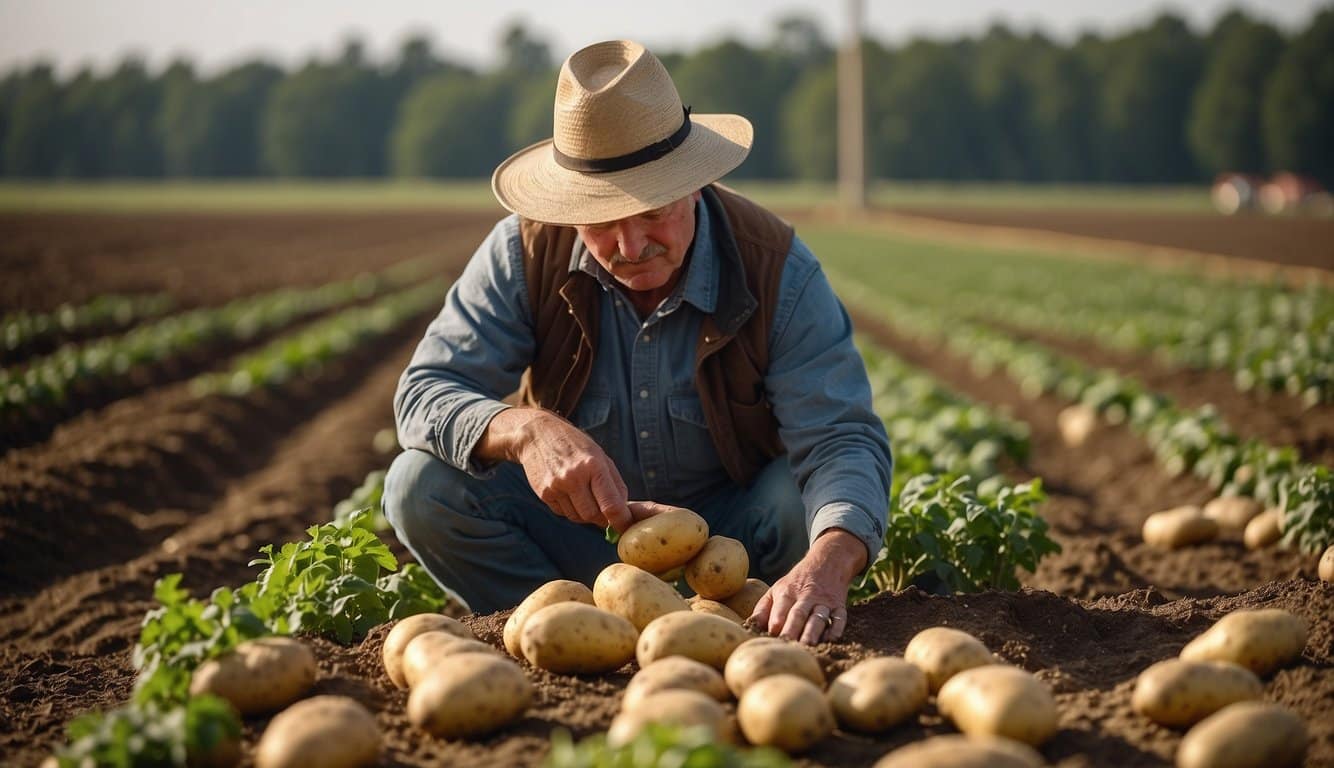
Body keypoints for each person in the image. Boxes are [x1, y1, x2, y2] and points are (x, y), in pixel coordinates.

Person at [383, 39, 891, 646]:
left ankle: (751, 632)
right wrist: (525, 429)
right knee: (421, 488)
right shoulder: (523, 255)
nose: (631, 246)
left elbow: (841, 435)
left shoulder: (775, 268)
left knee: (796, 502)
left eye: (653, 211)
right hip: (581, 548)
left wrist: (828, 565)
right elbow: (424, 392)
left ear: (694, 185)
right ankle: (562, 636)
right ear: (569, 210)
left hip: (733, 555)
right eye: (601, 221)